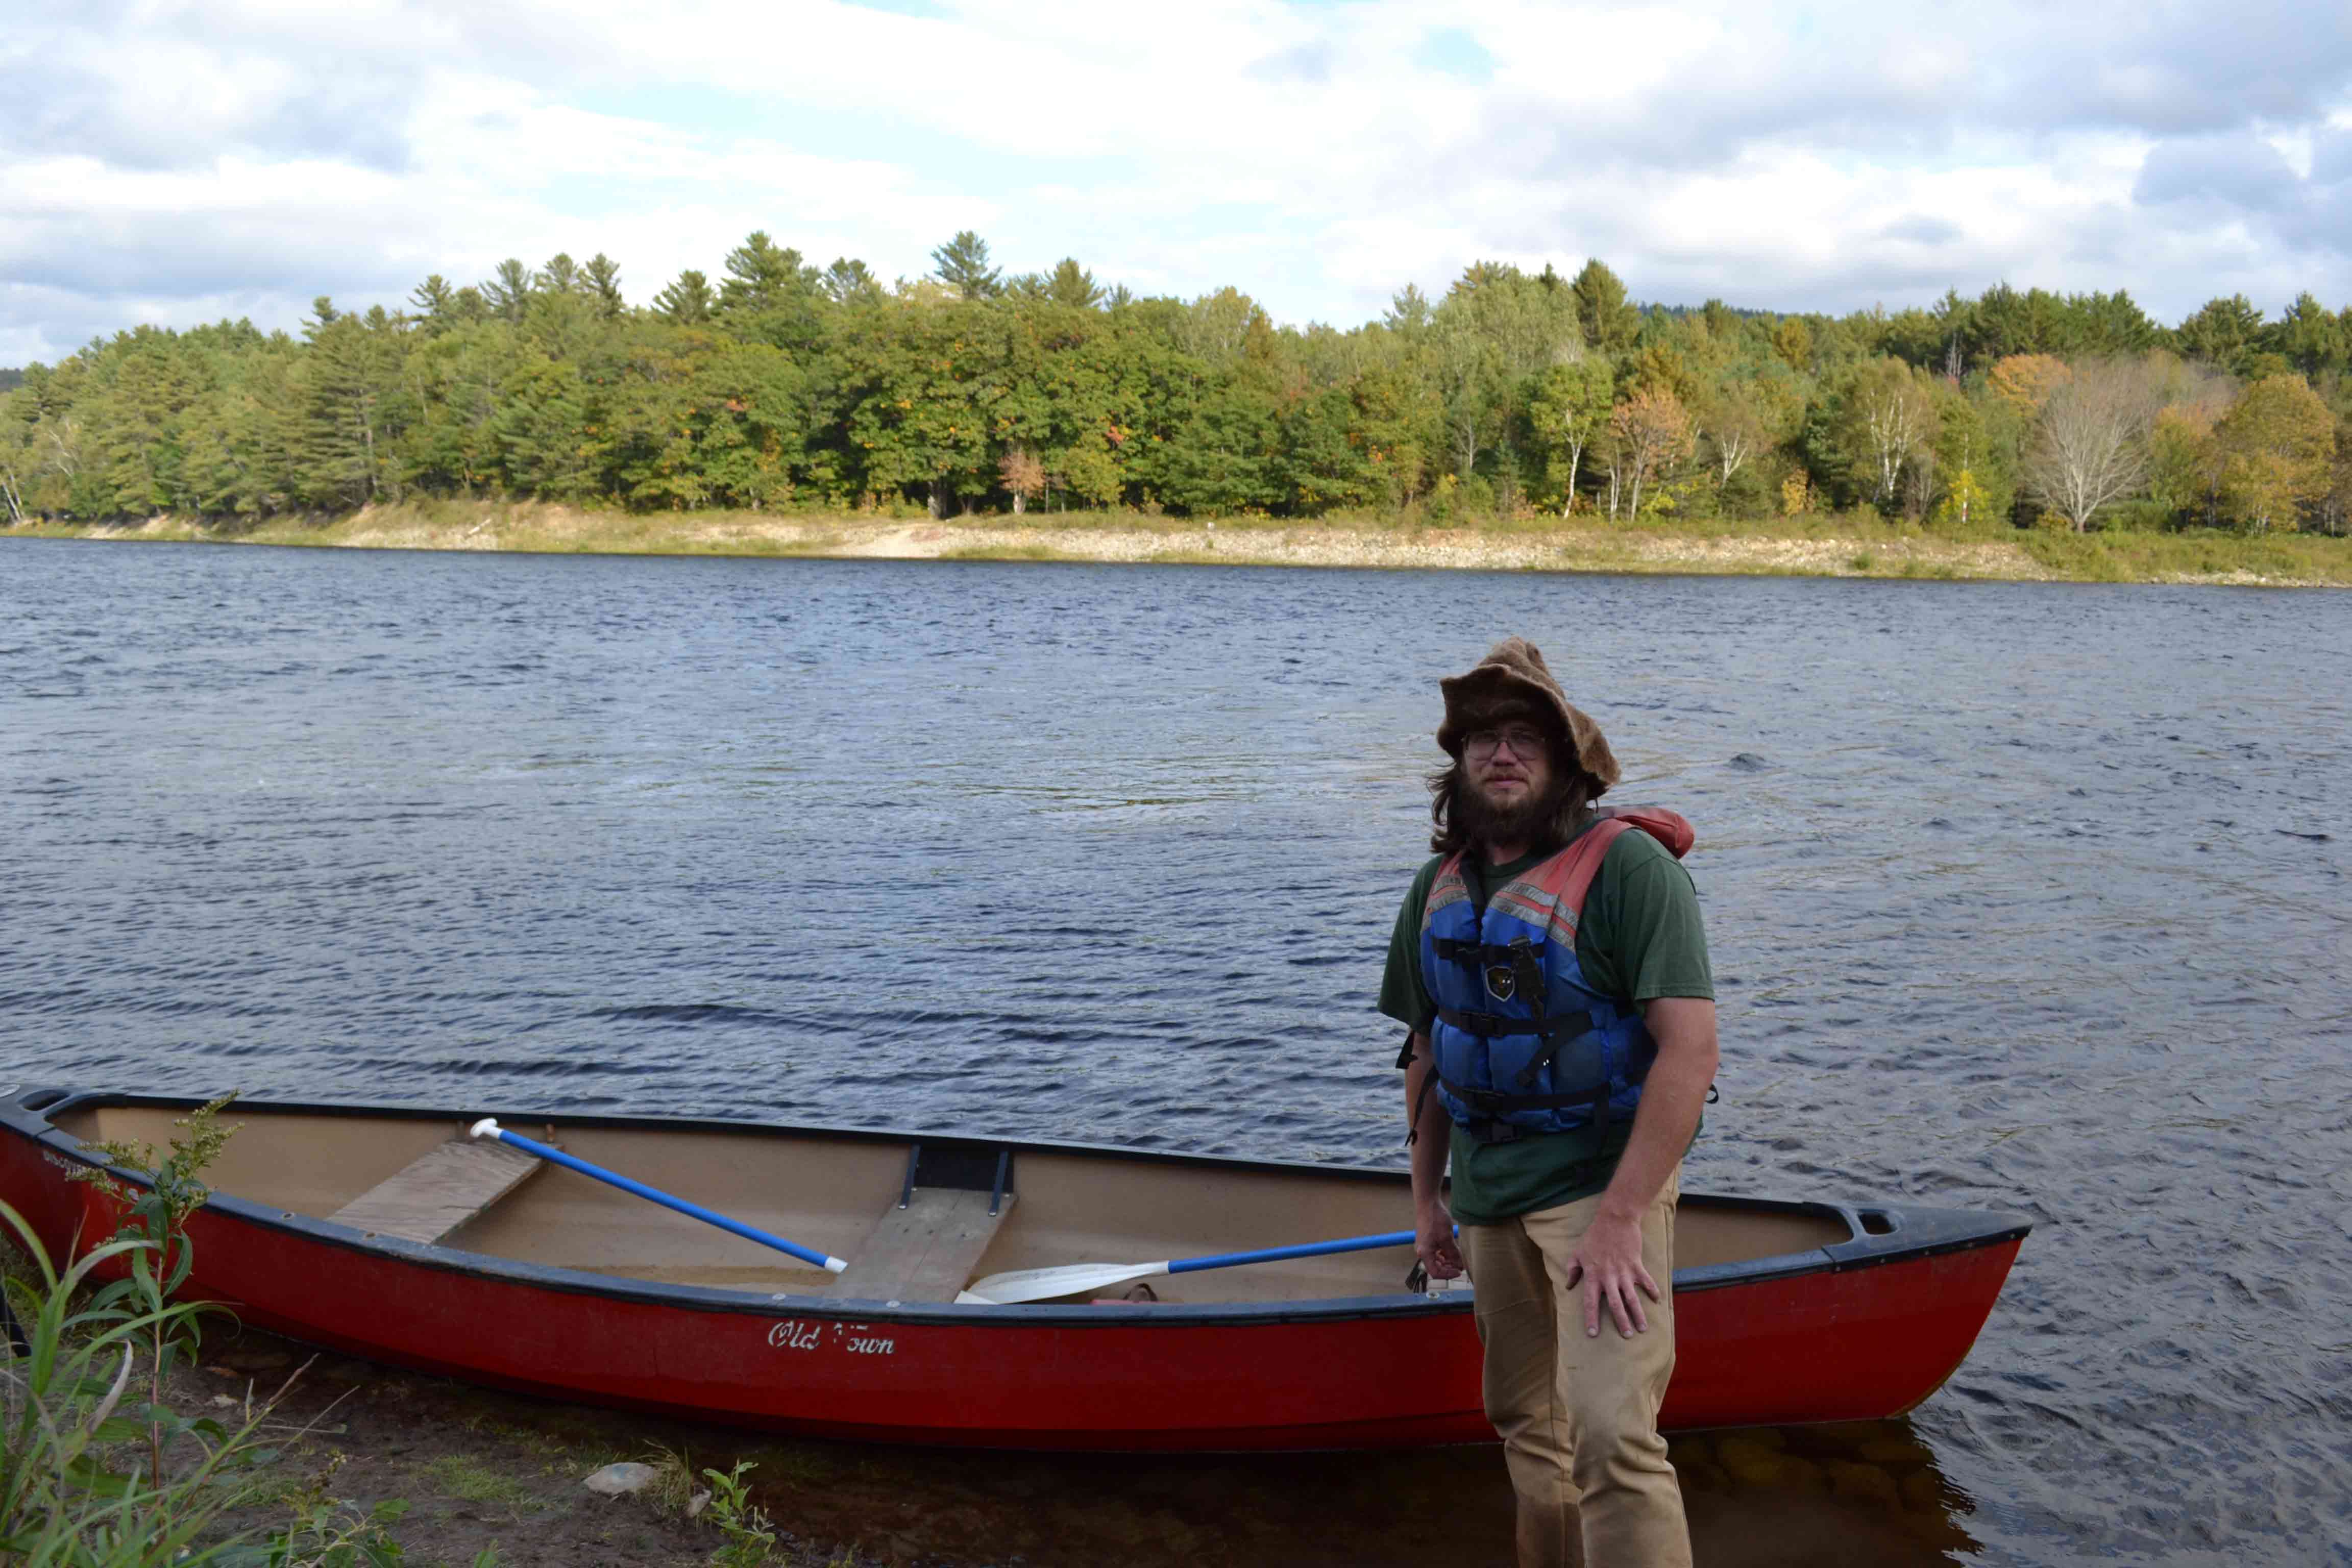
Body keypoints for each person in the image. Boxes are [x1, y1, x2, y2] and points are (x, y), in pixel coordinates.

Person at [1378, 637, 1718, 1568]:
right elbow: (1427, 1051)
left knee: (1612, 1432)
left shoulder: (1631, 874)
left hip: (1600, 1188)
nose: (1501, 753)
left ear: (1566, 760)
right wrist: (1425, 1206)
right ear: (1457, 762)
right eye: (1481, 736)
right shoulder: (1436, 888)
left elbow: (1689, 1055)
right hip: (1490, 1192)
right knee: (1528, 1423)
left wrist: (1620, 1217)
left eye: (1526, 735)